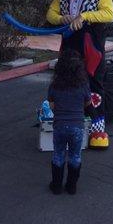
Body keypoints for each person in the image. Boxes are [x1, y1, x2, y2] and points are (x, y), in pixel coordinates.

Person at [46, 0, 113, 148]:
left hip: (91, 49)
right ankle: (66, 124)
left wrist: (84, 16)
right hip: (68, 48)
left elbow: (109, 14)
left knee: (94, 84)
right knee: (66, 82)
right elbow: (51, 14)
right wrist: (62, 19)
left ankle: (98, 128)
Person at [48, 49, 91, 195]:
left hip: (59, 125)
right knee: (75, 156)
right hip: (77, 126)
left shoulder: (54, 85)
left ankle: (56, 186)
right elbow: (88, 103)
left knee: (58, 154)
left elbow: (52, 105)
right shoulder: (83, 85)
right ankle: (71, 186)